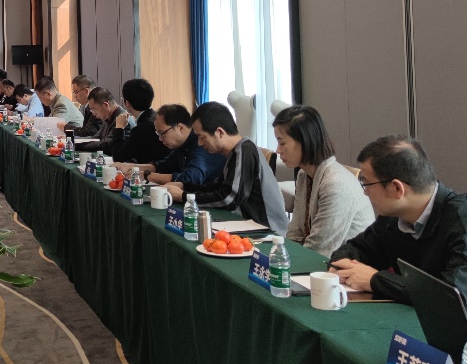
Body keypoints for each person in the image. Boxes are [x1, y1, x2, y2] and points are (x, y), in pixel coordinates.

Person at [329, 136, 467, 350]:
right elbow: (356, 249)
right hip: (428, 328)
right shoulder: (394, 217)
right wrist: (344, 265)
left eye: (366, 183)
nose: (364, 191)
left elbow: (452, 300)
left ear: (396, 188)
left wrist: (376, 280)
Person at [166, 102, 288, 234]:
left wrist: (184, 197)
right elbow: (218, 187)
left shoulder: (244, 151)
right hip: (247, 224)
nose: (199, 143)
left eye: (201, 137)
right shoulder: (233, 152)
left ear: (219, 132)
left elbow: (228, 198)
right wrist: (184, 186)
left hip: (268, 231)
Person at [273, 106, 374, 257]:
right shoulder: (303, 174)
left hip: (346, 264)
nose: (278, 150)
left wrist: (287, 259)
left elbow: (320, 249)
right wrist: (286, 255)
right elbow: (296, 230)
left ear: (305, 141)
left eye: (282, 143)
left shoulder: (336, 185)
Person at [134, 104, 225, 187]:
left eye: (162, 133)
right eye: (158, 134)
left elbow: (190, 179)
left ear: (180, 128)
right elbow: (165, 166)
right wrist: (133, 168)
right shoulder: (183, 144)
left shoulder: (201, 144)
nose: (160, 139)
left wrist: (148, 176)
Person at [106, 79, 167, 164]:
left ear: (127, 103)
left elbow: (118, 157)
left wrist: (119, 127)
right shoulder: (155, 117)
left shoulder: (142, 128)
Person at [79, 87, 127, 151]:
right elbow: (96, 138)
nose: (93, 113)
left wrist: (81, 146)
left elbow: (107, 145)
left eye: (93, 109)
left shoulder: (122, 119)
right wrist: (74, 141)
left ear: (105, 105)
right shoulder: (108, 116)